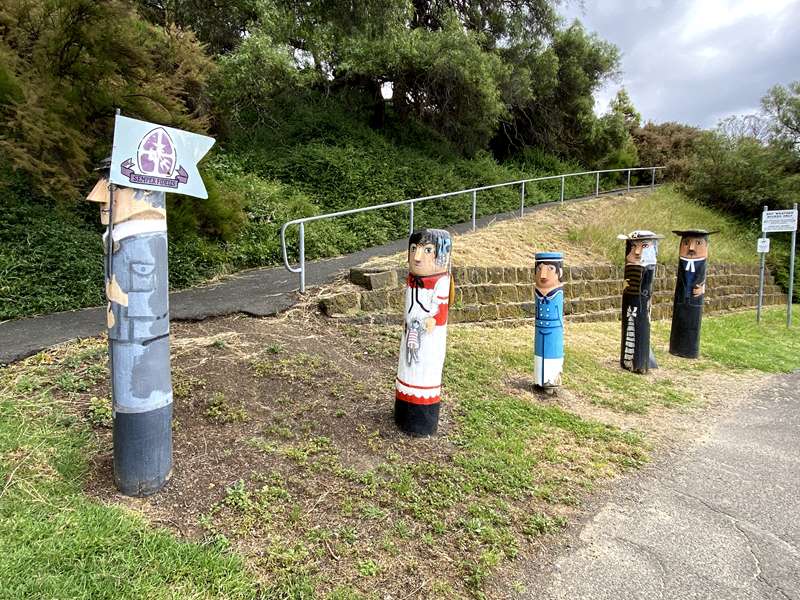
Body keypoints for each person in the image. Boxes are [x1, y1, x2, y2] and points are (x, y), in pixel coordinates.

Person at [395, 228, 453, 436]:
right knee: (407, 368)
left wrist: (431, 320)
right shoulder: (412, 280)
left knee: (423, 371)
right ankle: (402, 413)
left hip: (428, 341)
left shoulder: (441, 281)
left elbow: (441, 312)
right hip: (409, 334)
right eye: (413, 249)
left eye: (427, 250)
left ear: (442, 254)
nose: (417, 257)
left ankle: (421, 422)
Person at [618, 230, 663, 374]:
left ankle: (639, 362)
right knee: (629, 331)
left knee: (640, 330)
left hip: (641, 307)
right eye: (633, 247)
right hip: (630, 307)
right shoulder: (630, 266)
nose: (637, 252)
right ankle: (628, 360)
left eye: (643, 246)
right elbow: (628, 285)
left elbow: (645, 290)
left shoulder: (648, 269)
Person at [669, 229, 716, 358]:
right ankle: (676, 347)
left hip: (694, 303)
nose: (691, 248)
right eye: (686, 243)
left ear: (706, 246)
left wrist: (703, 289)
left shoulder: (701, 264)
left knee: (691, 325)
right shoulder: (682, 264)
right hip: (680, 300)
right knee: (679, 322)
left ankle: (689, 349)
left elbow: (703, 280)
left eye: (698, 243)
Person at [533, 252, 565, 390]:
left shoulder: (557, 293)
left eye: (550, 269)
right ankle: (539, 379)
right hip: (539, 327)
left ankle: (551, 380)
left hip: (553, 330)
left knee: (551, 354)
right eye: (539, 269)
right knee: (540, 354)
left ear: (560, 272)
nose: (543, 275)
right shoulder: (537, 291)